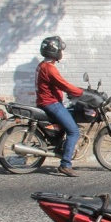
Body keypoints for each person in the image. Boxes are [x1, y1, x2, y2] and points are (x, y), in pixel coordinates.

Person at [36, 35, 84, 177]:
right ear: (55, 52)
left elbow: (58, 85)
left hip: (47, 101)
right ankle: (65, 164)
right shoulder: (49, 69)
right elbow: (63, 84)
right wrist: (81, 92)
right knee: (74, 131)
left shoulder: (42, 65)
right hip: (51, 103)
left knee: (70, 117)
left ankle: (60, 145)